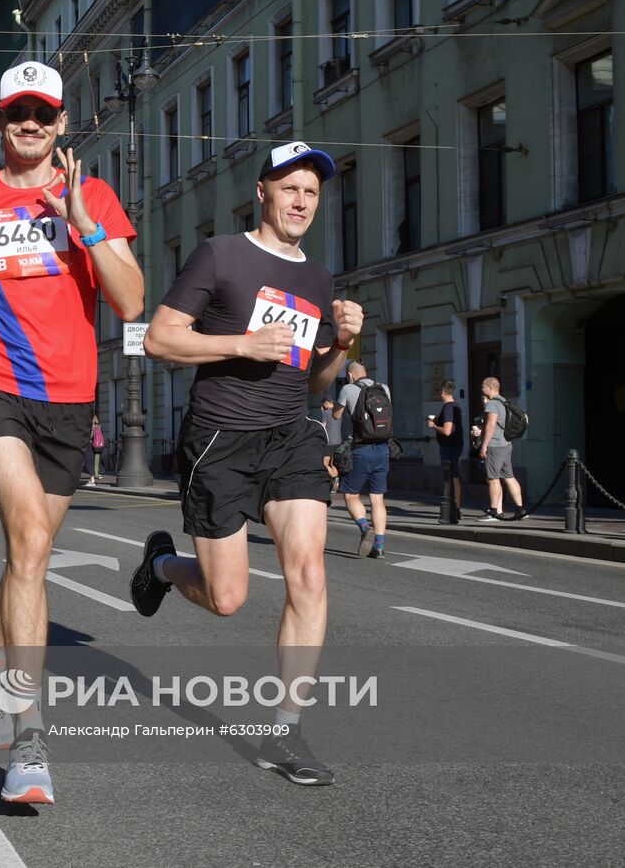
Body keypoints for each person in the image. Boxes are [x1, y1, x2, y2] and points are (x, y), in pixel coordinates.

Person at [0, 60, 144, 806]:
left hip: (70, 399)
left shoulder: (93, 195)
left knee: (28, 558)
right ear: (1, 122)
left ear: (62, 123)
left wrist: (86, 224)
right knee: (31, 543)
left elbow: (132, 296)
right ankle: (26, 734)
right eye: (19, 112)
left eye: (44, 113)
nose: (31, 125)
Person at [132, 141, 364, 787]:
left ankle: (284, 728)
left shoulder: (317, 279)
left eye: (311, 193)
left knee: (310, 573)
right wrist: (242, 342)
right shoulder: (221, 255)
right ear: (262, 191)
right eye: (289, 188)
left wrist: (343, 343)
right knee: (227, 597)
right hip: (221, 439)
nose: (300, 202)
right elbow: (159, 337)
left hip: (290, 434)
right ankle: (161, 563)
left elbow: (316, 382)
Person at [334, 360, 391, 559]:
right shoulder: (383, 388)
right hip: (383, 449)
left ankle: (366, 528)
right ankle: (380, 546)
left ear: (350, 375)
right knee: (377, 499)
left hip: (360, 449)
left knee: (350, 495)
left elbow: (336, 415)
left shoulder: (348, 388)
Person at [474, 376, 524, 521]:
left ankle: (494, 511)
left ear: (490, 388)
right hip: (506, 444)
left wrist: (483, 445)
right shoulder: (504, 401)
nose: (481, 388)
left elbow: (490, 426)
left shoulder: (492, 404)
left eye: (483, 386)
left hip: (494, 446)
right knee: (509, 477)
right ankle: (520, 510)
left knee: (493, 479)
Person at [429, 381, 464, 516]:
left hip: (449, 447)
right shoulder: (456, 406)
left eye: (440, 393)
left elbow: (447, 431)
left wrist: (434, 426)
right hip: (456, 445)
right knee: (453, 477)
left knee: (451, 478)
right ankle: (455, 508)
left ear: (443, 393)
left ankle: (454, 508)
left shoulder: (448, 407)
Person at [319, 399, 342, 493]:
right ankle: (336, 481)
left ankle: (334, 478)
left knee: (324, 463)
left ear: (326, 403)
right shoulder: (338, 412)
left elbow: (323, 426)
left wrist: (322, 412)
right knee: (332, 464)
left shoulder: (325, 412)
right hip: (338, 441)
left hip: (329, 442)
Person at [88, 415, 105, 486]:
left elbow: (90, 437)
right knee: (98, 460)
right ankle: (100, 475)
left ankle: (93, 477)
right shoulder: (99, 427)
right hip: (100, 446)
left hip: (93, 446)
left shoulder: (92, 427)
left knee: (91, 461)